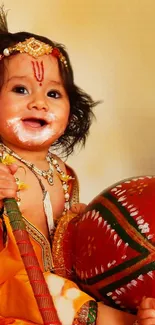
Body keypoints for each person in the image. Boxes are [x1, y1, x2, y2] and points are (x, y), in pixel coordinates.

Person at [0, 6, 138, 325]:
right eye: (20, 89)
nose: (39, 102)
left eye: (53, 93)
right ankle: (120, 321)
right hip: (13, 291)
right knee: (56, 292)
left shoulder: (63, 172)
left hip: (62, 288)